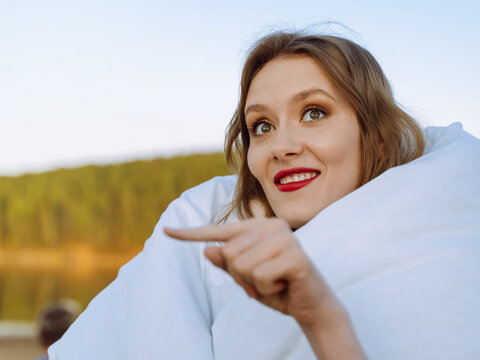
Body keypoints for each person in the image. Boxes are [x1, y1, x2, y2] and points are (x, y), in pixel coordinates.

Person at [48, 31, 480, 359]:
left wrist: (321, 318)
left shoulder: (437, 250)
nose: (281, 146)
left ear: (378, 139)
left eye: (314, 113)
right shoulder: (202, 228)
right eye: (262, 126)